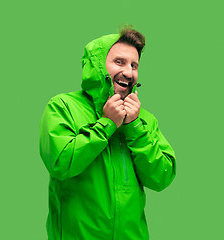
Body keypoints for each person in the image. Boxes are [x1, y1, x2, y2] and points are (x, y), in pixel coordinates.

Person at [39, 26, 176, 240]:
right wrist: (108, 123)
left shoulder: (144, 120)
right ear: (97, 65)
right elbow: (60, 163)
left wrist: (134, 128)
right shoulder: (63, 106)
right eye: (119, 62)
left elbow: (162, 178)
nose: (129, 72)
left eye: (134, 65)